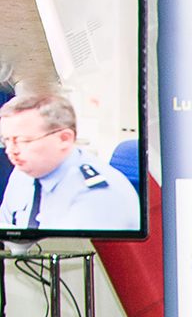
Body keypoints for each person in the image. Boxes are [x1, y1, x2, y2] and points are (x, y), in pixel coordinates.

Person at [0, 92, 140, 231]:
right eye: (6, 140)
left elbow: (74, 250)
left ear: (64, 139)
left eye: (22, 140)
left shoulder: (97, 194)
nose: (10, 150)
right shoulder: (23, 172)